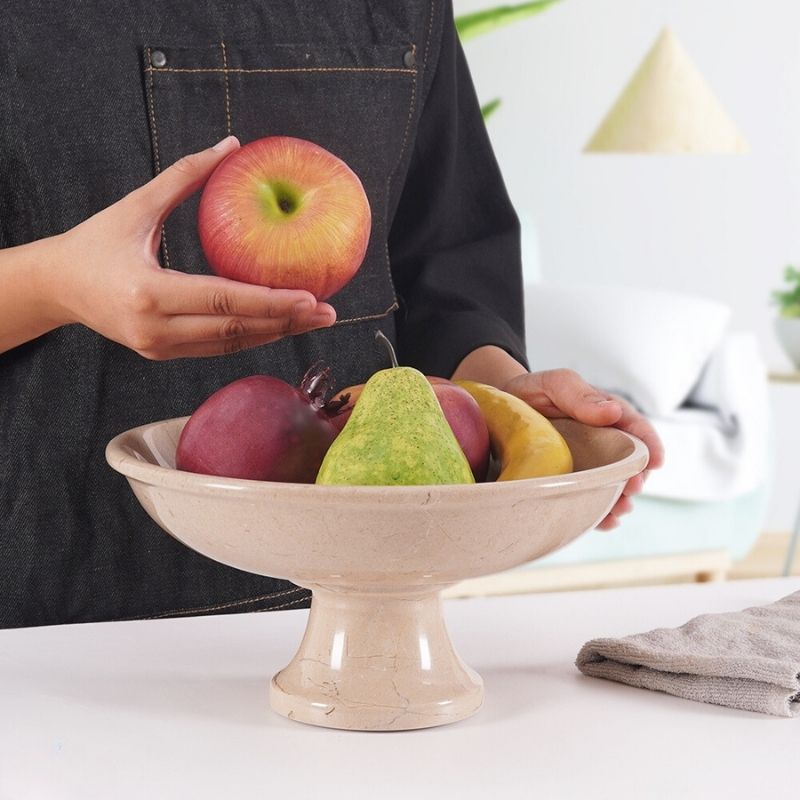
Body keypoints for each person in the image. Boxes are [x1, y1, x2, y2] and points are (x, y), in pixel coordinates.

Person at [0, 0, 663, 628]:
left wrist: (501, 392)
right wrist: (52, 285)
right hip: (32, 620)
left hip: (351, 618)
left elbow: (442, 265)